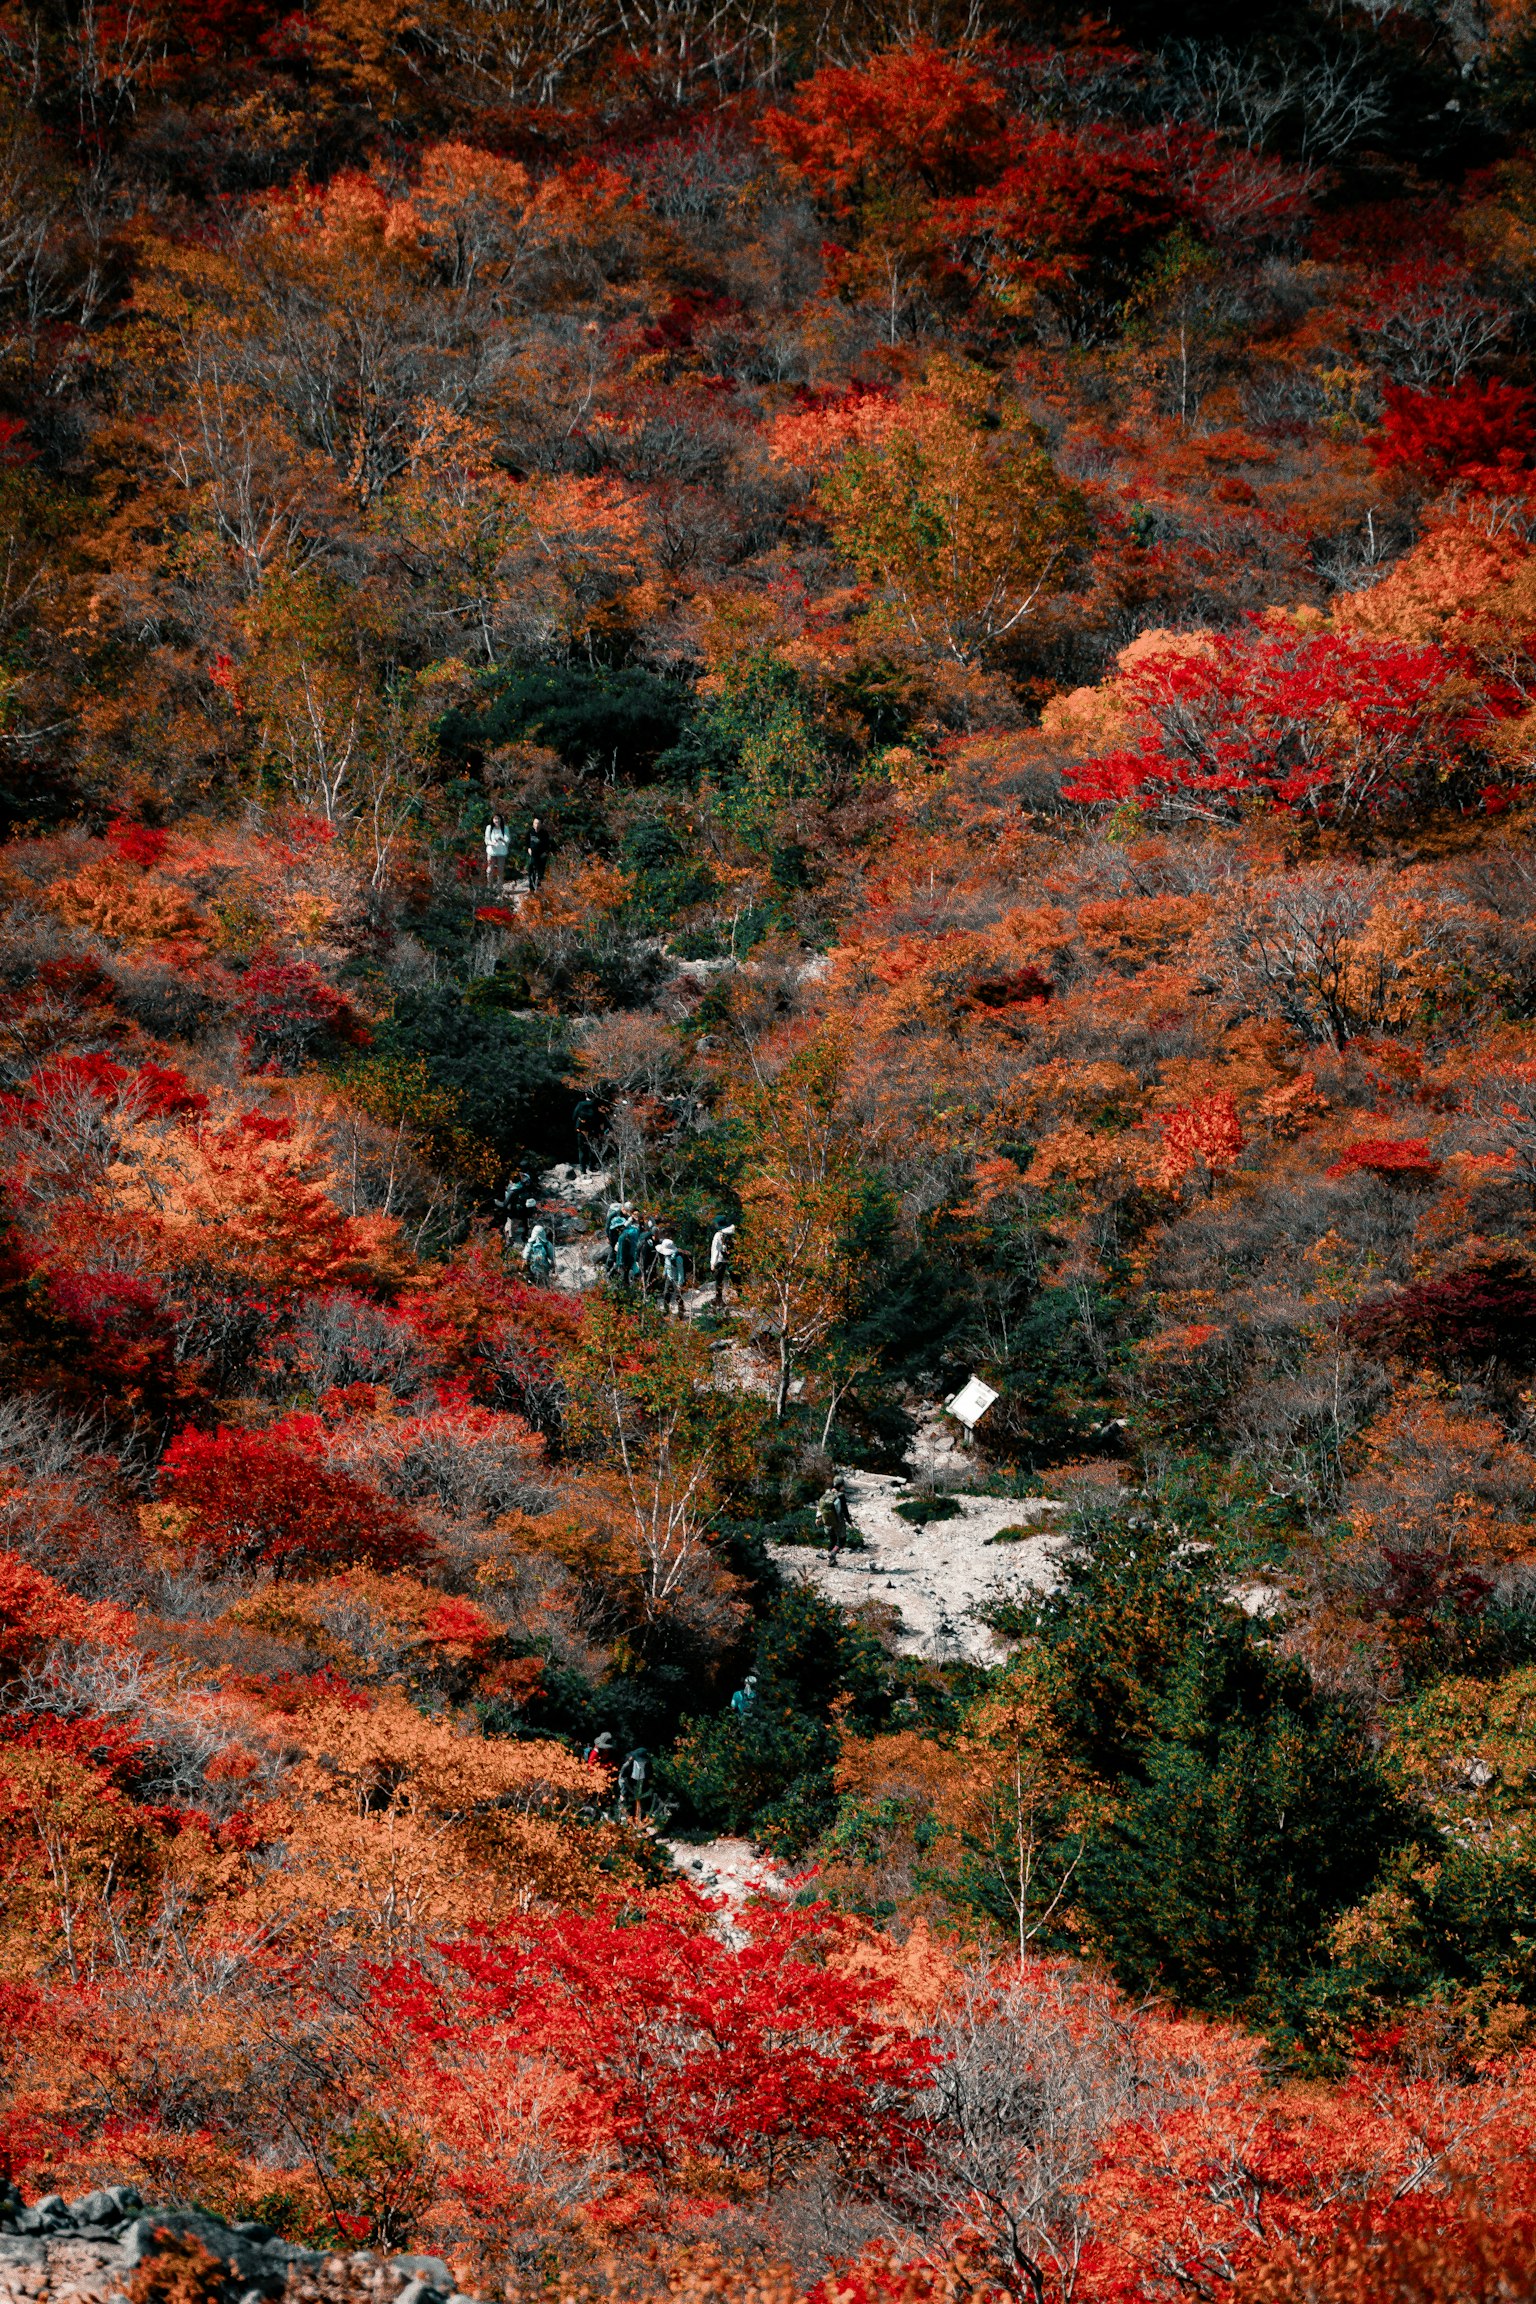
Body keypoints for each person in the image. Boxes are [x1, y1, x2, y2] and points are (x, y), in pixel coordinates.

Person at [815, 1472, 855, 1564]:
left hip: (827, 1521)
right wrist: (850, 1522)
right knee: (842, 1540)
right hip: (838, 1522)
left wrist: (818, 1518)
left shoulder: (827, 1493)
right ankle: (832, 1554)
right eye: (843, 1485)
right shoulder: (840, 1496)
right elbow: (845, 1511)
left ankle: (831, 1561)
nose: (844, 1487)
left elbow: (820, 1506)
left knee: (832, 1540)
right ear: (840, 1485)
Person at [656, 1234, 687, 1319]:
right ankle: (666, 1311)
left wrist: (680, 1284)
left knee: (678, 1297)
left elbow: (681, 1271)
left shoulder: (678, 1258)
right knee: (666, 1294)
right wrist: (664, 1273)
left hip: (677, 1280)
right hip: (669, 1278)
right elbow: (667, 1265)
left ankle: (681, 1313)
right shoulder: (667, 1256)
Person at [616, 1744, 649, 1819]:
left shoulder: (644, 1762)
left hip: (636, 1783)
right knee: (624, 1799)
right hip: (626, 1782)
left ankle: (637, 1816)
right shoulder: (628, 1762)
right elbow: (623, 1775)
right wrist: (624, 1790)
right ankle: (622, 1817)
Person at [573, 1095, 603, 1175]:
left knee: (582, 1150)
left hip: (581, 1130)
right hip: (592, 1131)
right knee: (592, 1149)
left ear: (586, 1095)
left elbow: (574, 1116)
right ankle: (591, 1166)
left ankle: (583, 1170)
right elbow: (598, 1118)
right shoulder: (595, 1104)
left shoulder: (580, 1104)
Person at [709, 1221, 736, 1308]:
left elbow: (715, 1250)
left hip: (721, 1260)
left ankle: (719, 1299)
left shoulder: (718, 1235)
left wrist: (713, 1263)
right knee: (736, 1279)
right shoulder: (733, 1232)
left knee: (719, 1280)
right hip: (732, 1259)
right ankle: (741, 1298)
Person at [526, 814, 552, 893]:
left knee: (541, 872)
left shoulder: (544, 833)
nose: (536, 825)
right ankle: (531, 888)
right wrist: (528, 849)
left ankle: (539, 887)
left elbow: (548, 845)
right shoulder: (529, 832)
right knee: (531, 869)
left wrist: (545, 853)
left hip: (542, 855)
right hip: (532, 854)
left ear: (541, 824)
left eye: (538, 823)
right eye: (535, 823)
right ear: (533, 823)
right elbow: (526, 843)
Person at [484, 813, 512, 885]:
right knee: (490, 869)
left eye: (498, 819)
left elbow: (507, 839)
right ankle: (489, 886)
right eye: (495, 819)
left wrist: (502, 840)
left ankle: (499, 887)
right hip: (491, 851)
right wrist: (491, 843)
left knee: (500, 870)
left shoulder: (505, 828)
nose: (497, 820)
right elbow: (486, 839)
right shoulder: (489, 828)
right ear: (493, 820)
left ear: (501, 820)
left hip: (501, 852)